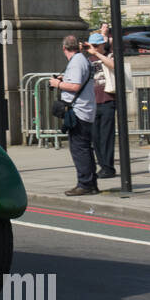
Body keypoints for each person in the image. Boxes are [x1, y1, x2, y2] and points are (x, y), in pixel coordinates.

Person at [49, 35, 97, 196]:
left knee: (79, 149)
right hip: (84, 109)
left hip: (79, 111)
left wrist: (58, 84)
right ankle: (91, 182)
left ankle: (85, 184)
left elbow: (75, 86)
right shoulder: (82, 59)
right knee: (85, 148)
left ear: (64, 48)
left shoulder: (77, 62)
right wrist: (64, 79)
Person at [85, 32, 116, 179]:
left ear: (102, 45)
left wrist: (97, 54)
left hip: (107, 100)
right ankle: (102, 165)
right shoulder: (87, 60)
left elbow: (113, 66)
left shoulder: (109, 56)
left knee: (106, 137)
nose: (95, 48)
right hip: (92, 103)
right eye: (92, 46)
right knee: (95, 137)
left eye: (97, 45)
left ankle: (108, 167)